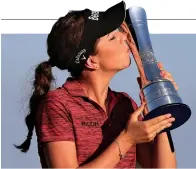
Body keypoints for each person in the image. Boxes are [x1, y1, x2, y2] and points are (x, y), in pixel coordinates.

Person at [15, 1, 177, 168]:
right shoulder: (57, 104)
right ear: (91, 61)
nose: (125, 37)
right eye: (112, 37)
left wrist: (158, 102)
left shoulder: (124, 104)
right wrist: (127, 139)